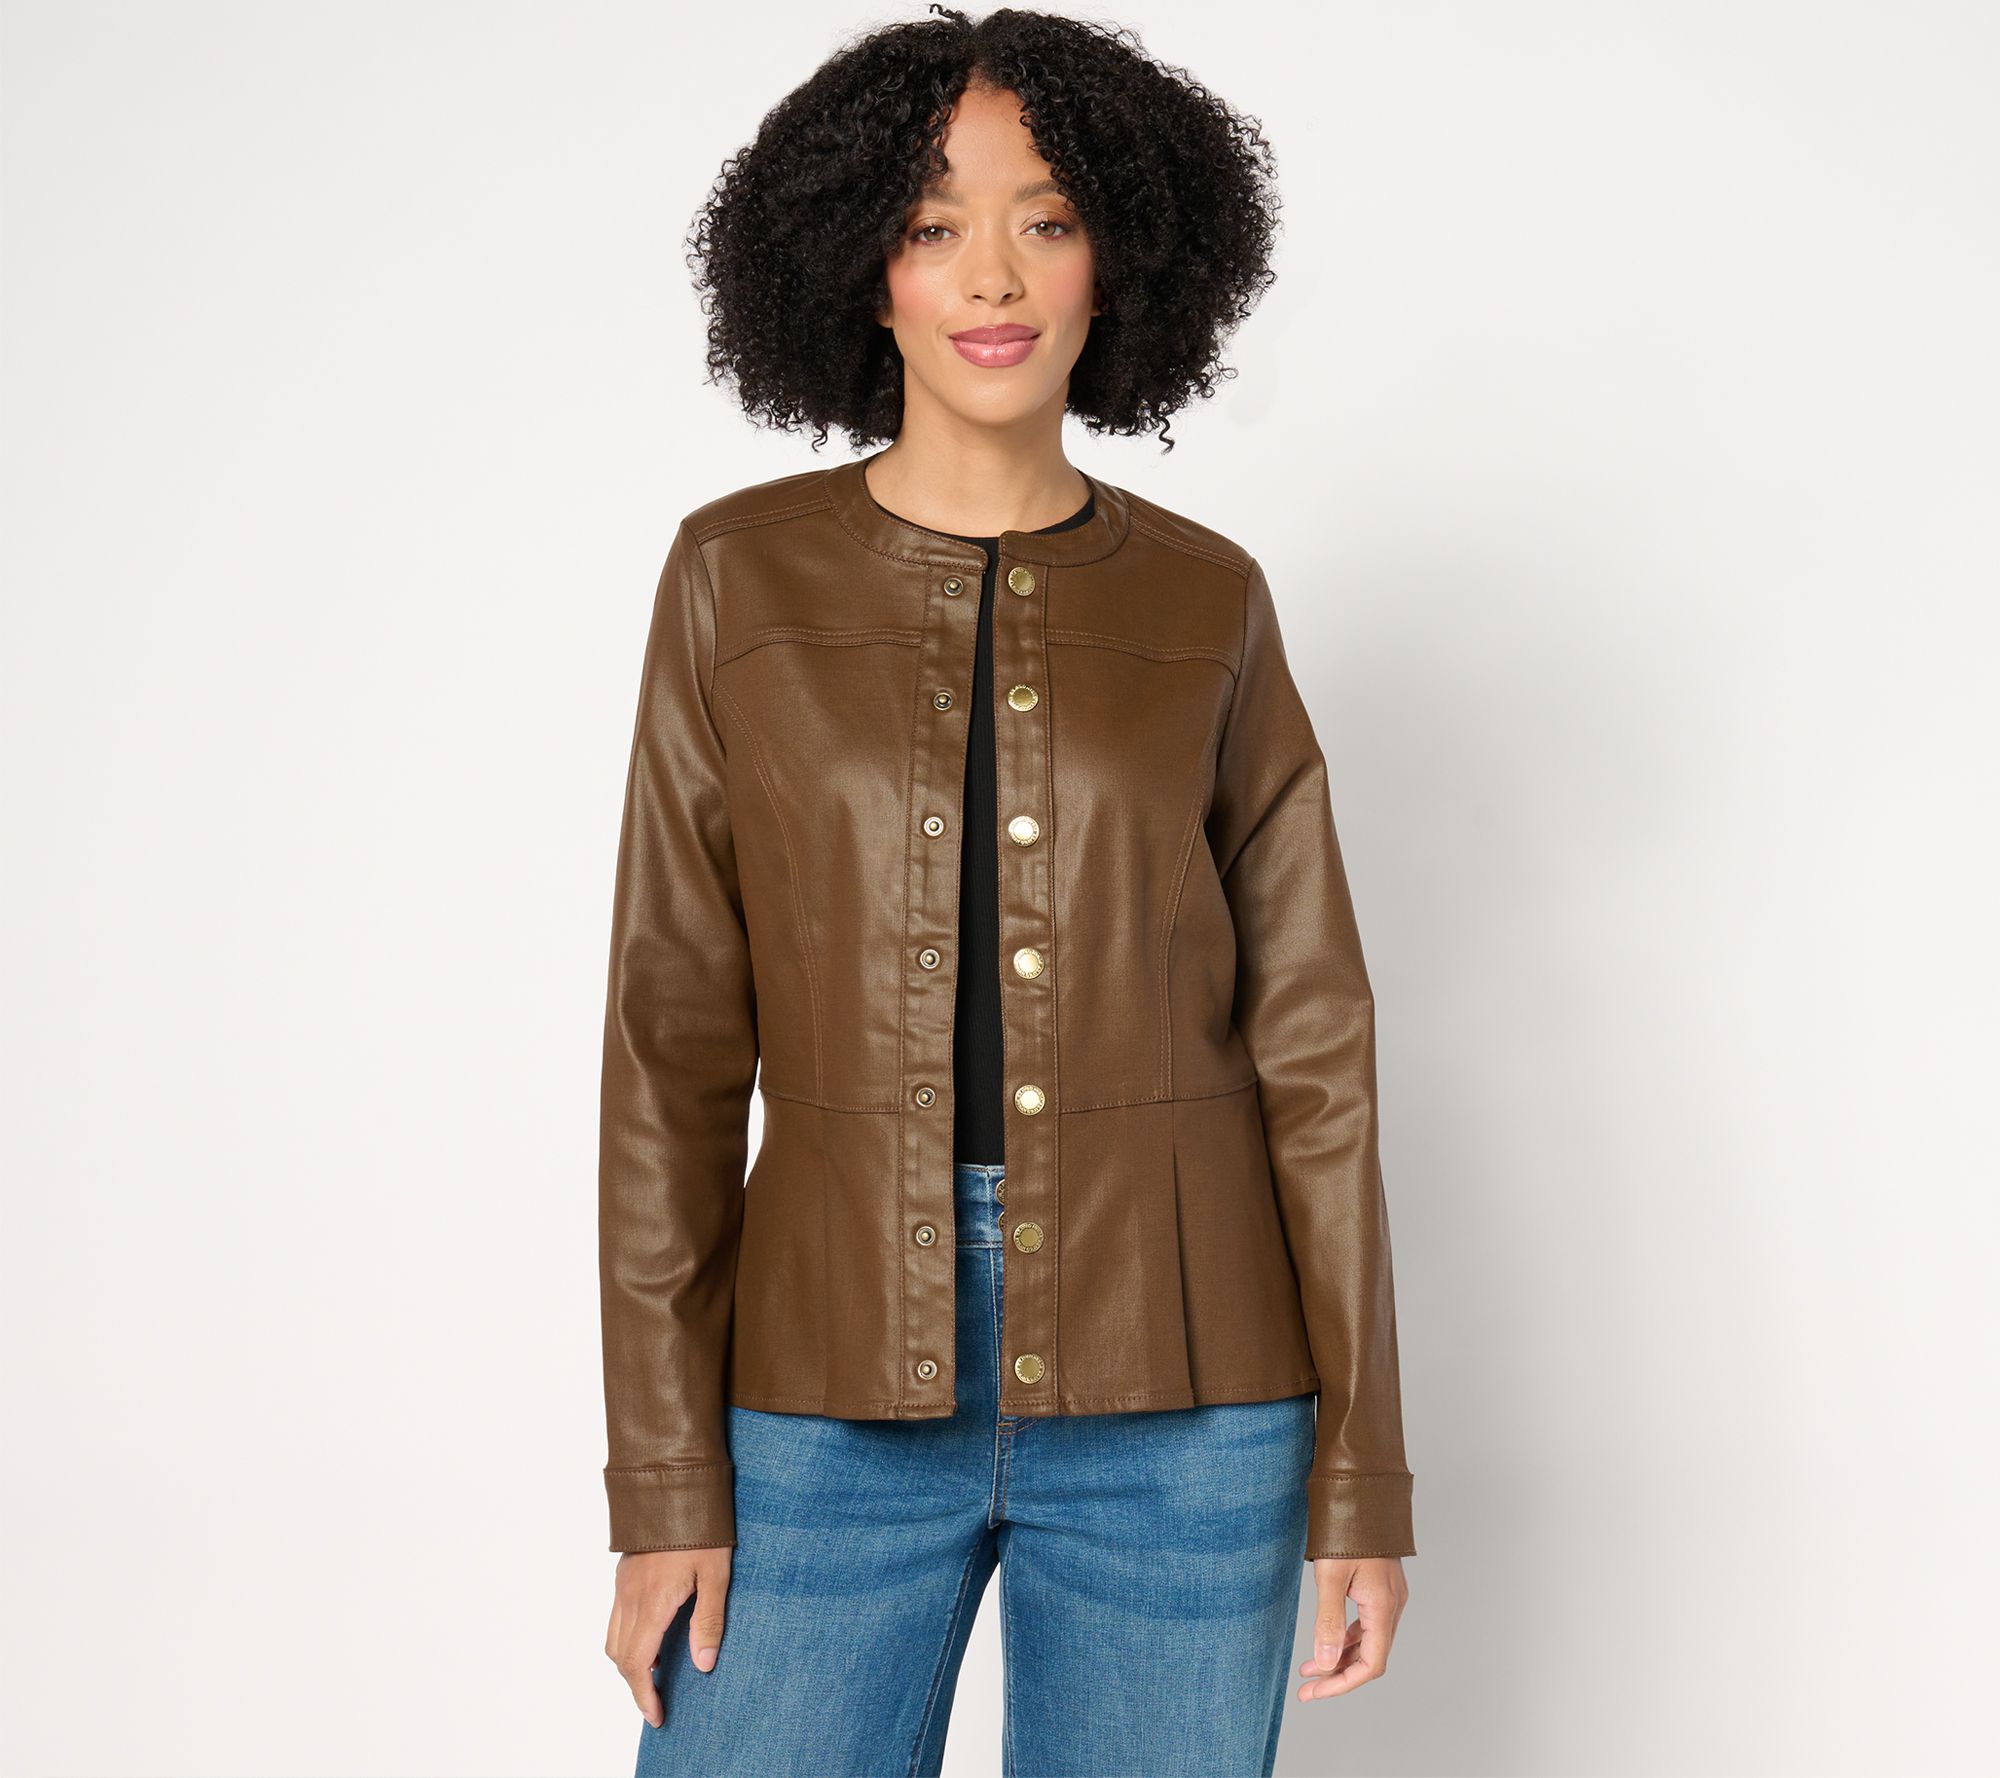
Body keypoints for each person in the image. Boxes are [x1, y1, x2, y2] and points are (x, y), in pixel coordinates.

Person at [597, 9, 1415, 1773]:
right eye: (931, 222)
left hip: (1187, 1400)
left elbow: (1317, 1050)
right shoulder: (733, 579)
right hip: (819, 1389)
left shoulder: (1209, 598)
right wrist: (664, 1473)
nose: (992, 274)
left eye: (1046, 218)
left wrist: (1363, 1469)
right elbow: (670, 1051)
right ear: (859, 270)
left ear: (1121, 260)